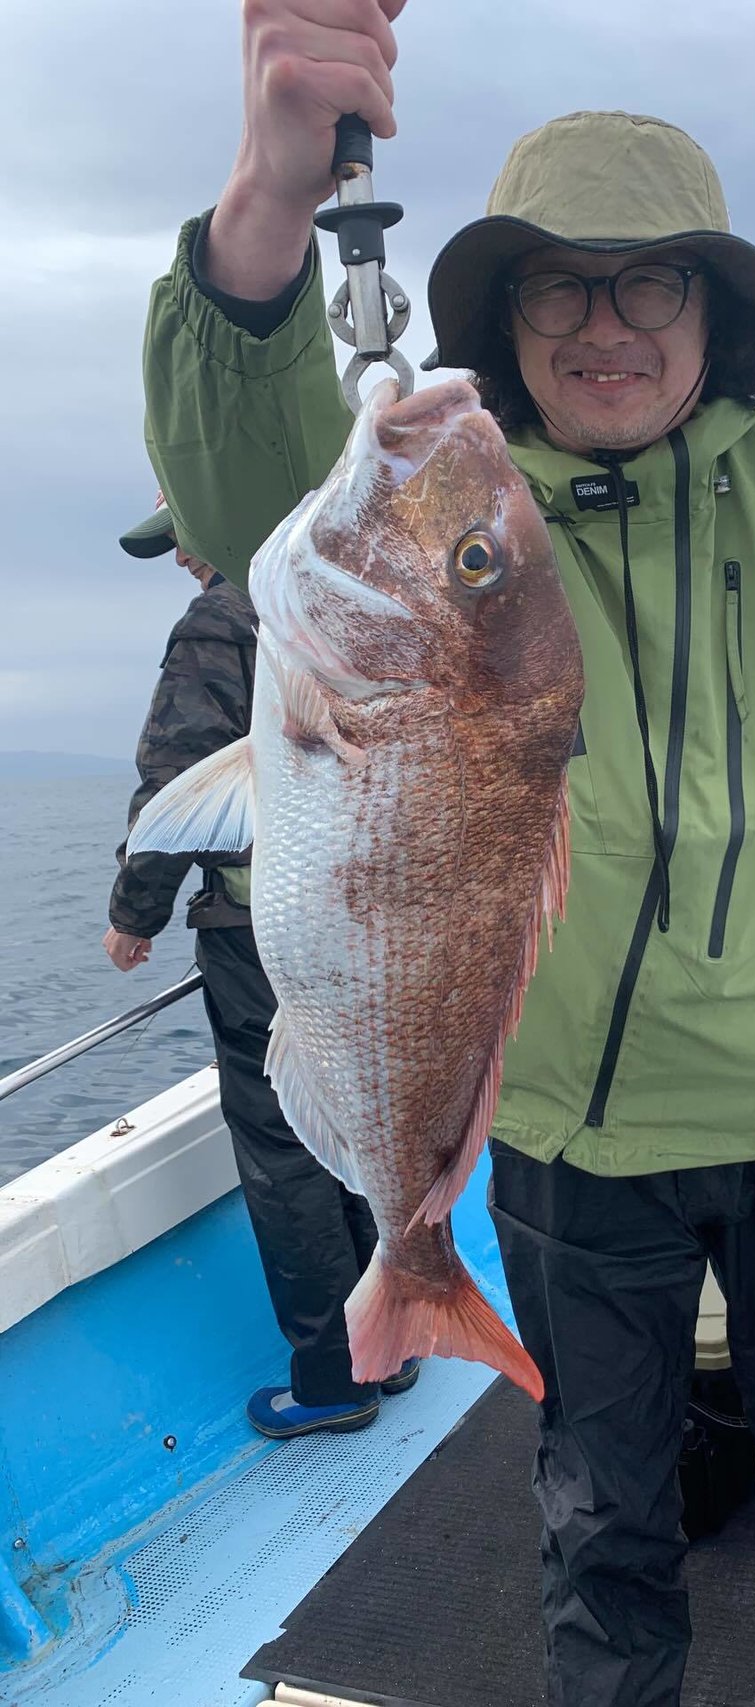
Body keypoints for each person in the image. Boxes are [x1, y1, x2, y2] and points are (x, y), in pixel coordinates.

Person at [140, 7, 755, 1702]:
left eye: (648, 284)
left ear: (715, 309)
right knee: (603, 1518)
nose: (603, 327)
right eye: (557, 287)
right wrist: (268, 207)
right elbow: (242, 491)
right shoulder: (467, 507)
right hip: (566, 1130)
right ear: (504, 318)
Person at [109, 497, 417, 1438]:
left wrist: (133, 914)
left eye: (178, 536)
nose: (177, 558)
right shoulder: (337, 597)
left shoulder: (217, 619)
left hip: (262, 934)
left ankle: (333, 1377)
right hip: (360, 925)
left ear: (214, 512)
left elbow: (176, 779)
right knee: (350, 1122)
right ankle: (390, 1342)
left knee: (285, 1150)